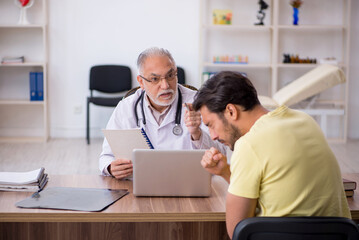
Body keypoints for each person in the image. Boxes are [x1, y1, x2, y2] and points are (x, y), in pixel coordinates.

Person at [192, 71, 351, 238]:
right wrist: (226, 172)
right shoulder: (305, 120)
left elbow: (237, 232)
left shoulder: (248, 145)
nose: (213, 136)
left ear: (231, 111)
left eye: (210, 125)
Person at [99, 47, 226, 179]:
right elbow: (106, 156)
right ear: (141, 82)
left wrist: (197, 134)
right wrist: (111, 168)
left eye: (170, 76)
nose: (165, 85)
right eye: (155, 79)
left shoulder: (198, 102)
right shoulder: (126, 107)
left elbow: (221, 153)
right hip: (139, 185)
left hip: (187, 184)